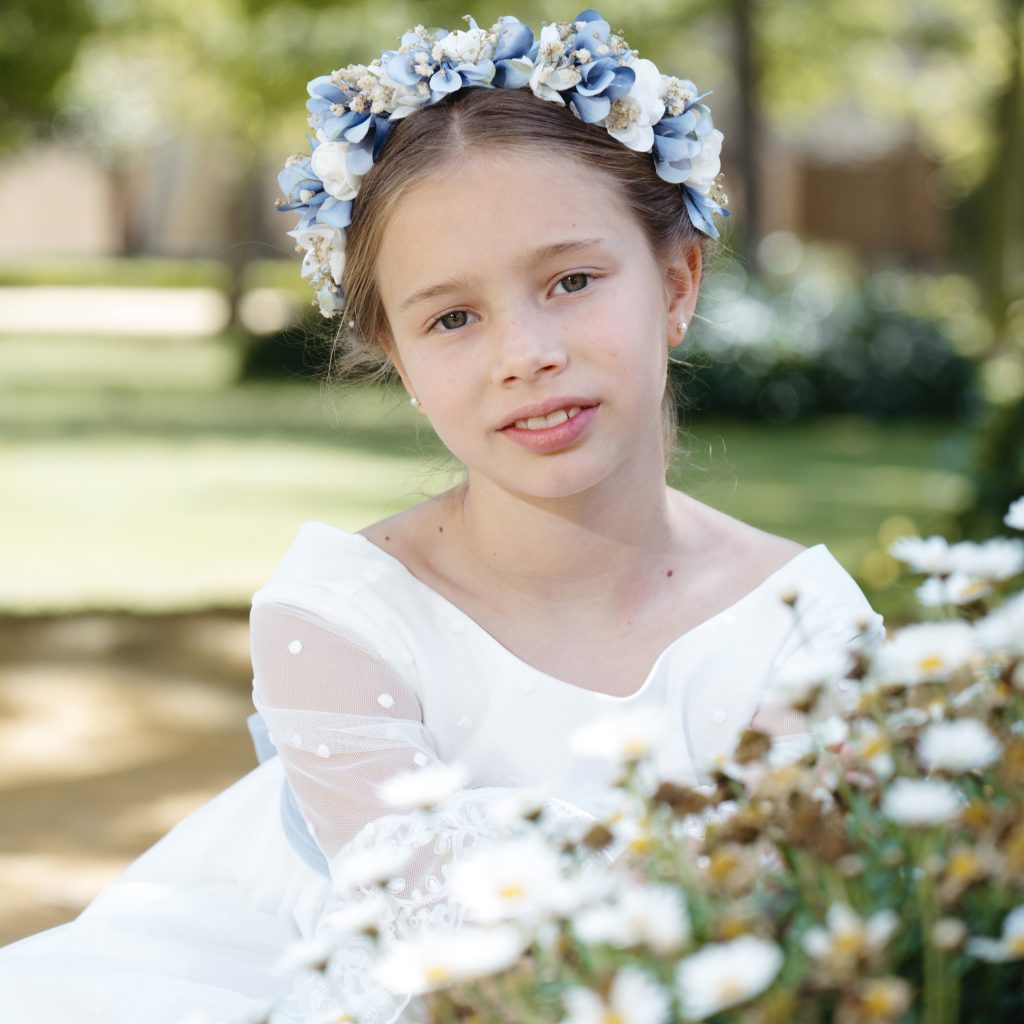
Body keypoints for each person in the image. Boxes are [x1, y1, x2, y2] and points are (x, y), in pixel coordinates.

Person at [0, 9, 884, 1023]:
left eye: (571, 280)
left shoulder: (803, 627)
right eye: (453, 317)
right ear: (400, 358)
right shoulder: (342, 619)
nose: (525, 354)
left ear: (677, 282)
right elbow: (446, 963)